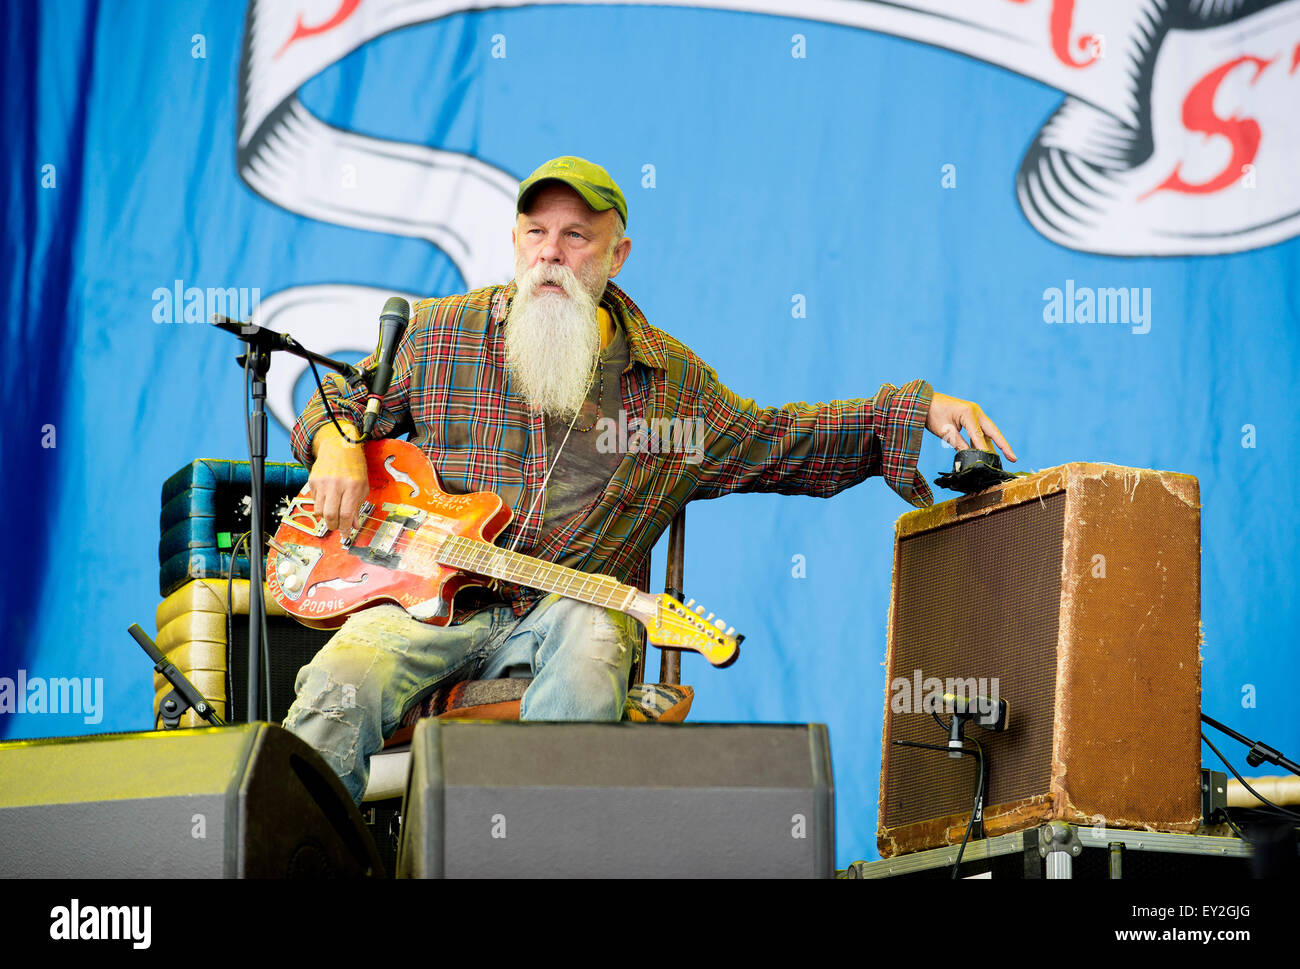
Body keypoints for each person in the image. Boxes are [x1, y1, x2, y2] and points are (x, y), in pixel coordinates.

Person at [283, 155, 1016, 804]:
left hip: (569, 613)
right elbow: (339, 401)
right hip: (424, 607)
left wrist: (912, 408)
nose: (552, 255)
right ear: (514, 241)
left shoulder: (671, 391)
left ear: (617, 255)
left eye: (577, 237)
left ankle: (542, 862)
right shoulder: (446, 333)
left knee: (595, 645)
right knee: (337, 682)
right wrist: (338, 443)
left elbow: (780, 440)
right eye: (536, 233)